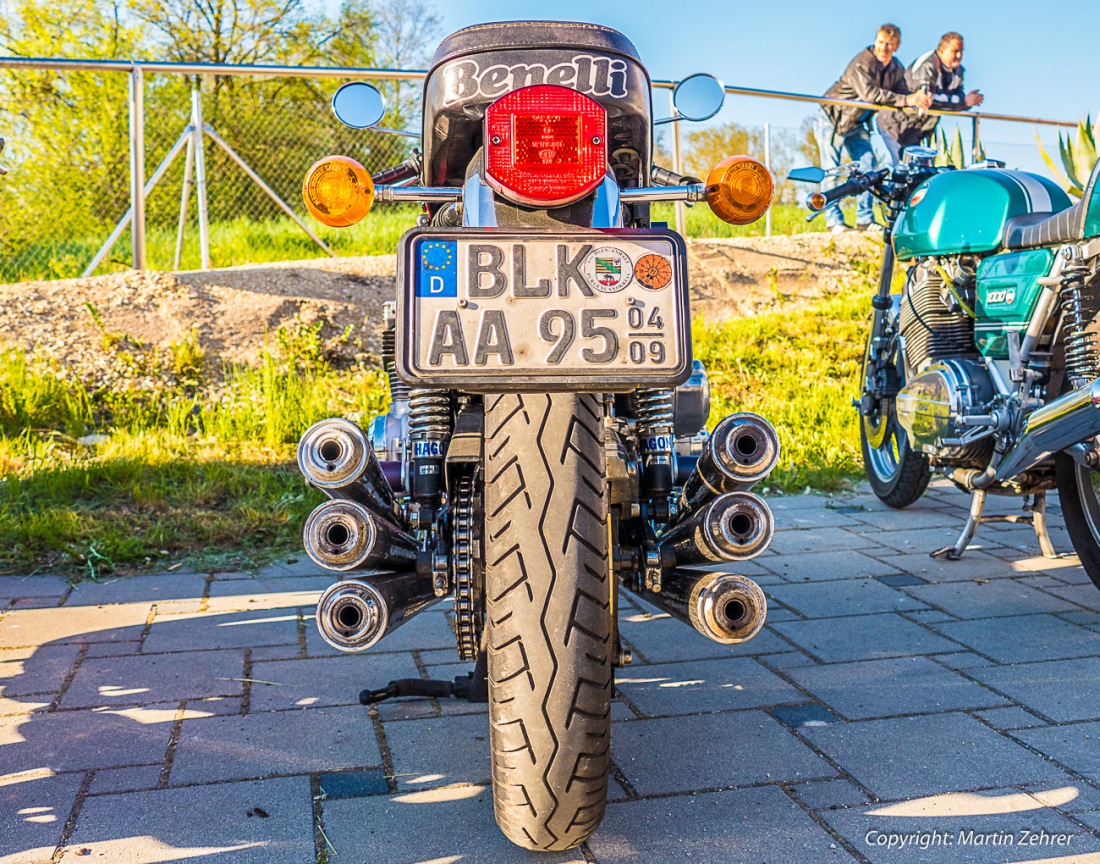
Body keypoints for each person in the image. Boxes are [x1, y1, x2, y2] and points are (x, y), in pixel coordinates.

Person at [814, 24, 932, 233]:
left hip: (857, 122)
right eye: (880, 42)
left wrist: (918, 100)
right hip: (833, 117)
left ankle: (865, 219)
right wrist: (906, 99)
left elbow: (903, 94)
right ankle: (833, 221)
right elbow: (871, 94)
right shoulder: (862, 62)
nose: (883, 48)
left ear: (896, 46)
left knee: (870, 167)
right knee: (831, 169)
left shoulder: (896, 68)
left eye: (889, 44)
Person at [877, 32, 984, 164]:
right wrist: (964, 102)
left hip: (920, 130)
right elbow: (926, 99)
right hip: (895, 125)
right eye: (955, 51)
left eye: (961, 51)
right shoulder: (927, 65)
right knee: (902, 167)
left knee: (920, 170)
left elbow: (956, 97)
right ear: (941, 50)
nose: (959, 56)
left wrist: (965, 102)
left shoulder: (958, 71)